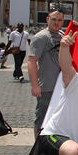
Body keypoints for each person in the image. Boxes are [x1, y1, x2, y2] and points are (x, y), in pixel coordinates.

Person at [28, 10, 65, 139]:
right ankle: (37, 148)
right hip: (47, 86)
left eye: (60, 20)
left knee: (57, 117)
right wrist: (35, 85)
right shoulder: (41, 37)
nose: (56, 23)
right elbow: (32, 61)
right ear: (47, 19)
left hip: (61, 87)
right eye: (54, 19)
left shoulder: (61, 35)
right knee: (42, 118)